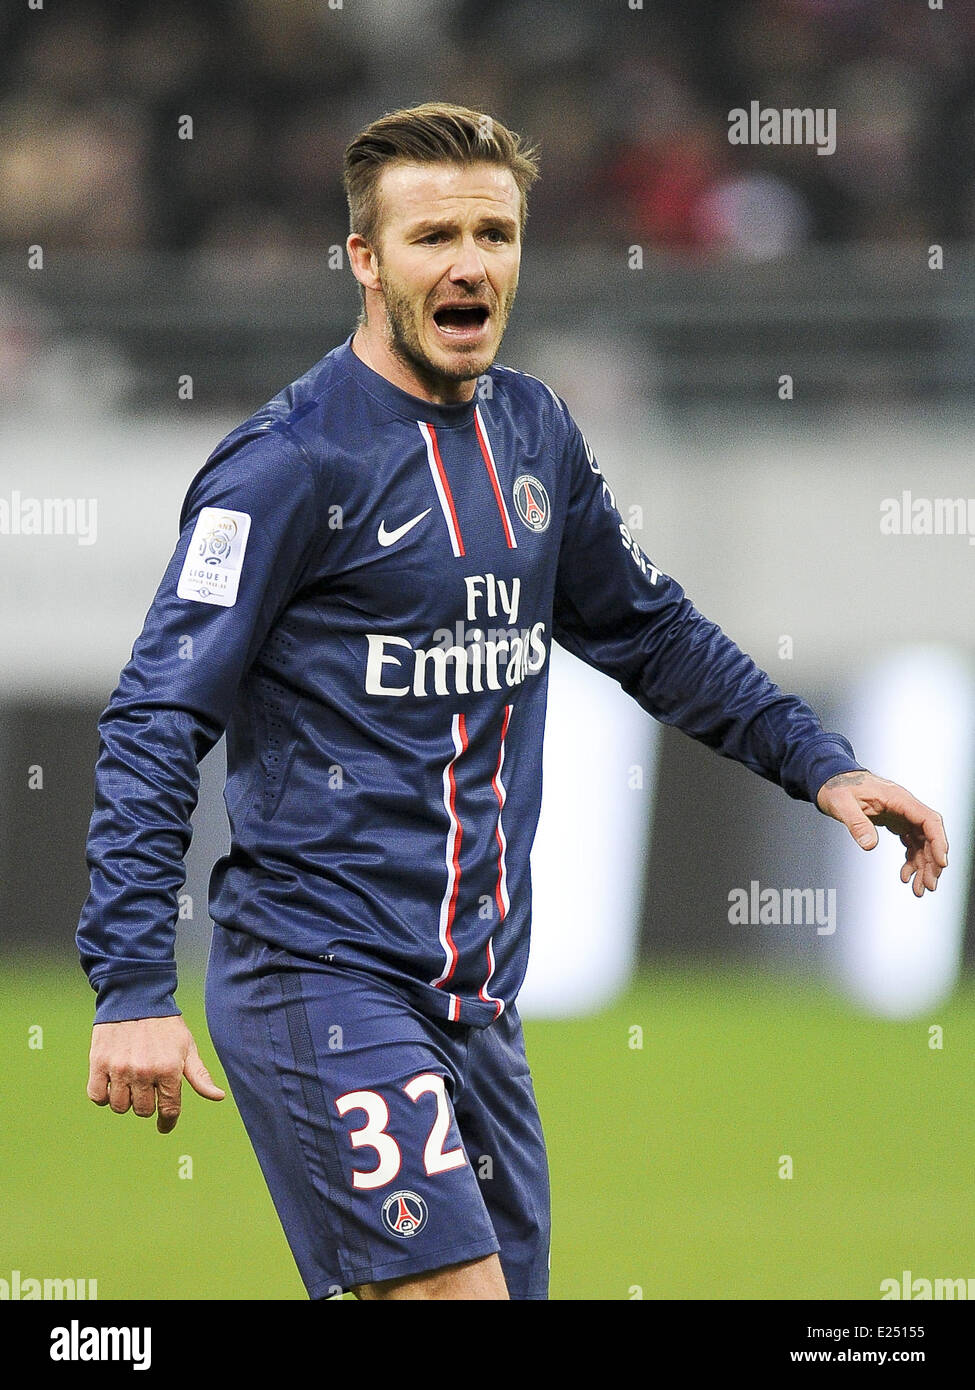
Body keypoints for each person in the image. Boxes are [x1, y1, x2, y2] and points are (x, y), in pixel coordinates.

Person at [77, 102, 948, 1303]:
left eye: (496, 231)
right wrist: (130, 983)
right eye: (434, 236)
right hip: (318, 973)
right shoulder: (287, 465)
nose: (471, 261)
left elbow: (647, 628)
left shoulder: (534, 433)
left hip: (478, 1004)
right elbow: (157, 716)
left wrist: (818, 760)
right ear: (367, 262)